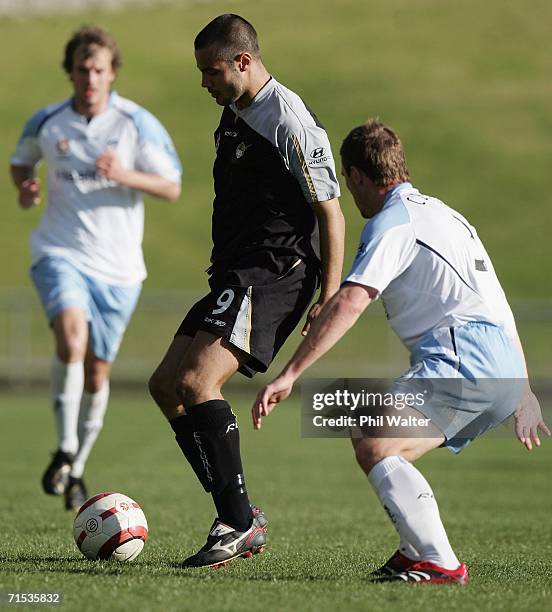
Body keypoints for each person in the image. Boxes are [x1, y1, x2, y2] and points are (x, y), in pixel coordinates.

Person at [253, 119, 550, 584]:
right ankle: (415, 553)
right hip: (499, 367)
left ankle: (438, 561)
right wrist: (524, 389)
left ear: (355, 177)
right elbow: (499, 304)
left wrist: (289, 373)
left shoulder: (393, 221)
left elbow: (352, 300)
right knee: (354, 414)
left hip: (463, 357)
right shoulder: (451, 217)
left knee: (370, 434)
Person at [148, 14, 344, 568]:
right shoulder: (236, 112)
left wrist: (328, 297)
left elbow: (330, 212)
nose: (205, 83)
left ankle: (235, 523)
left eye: (211, 71)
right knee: (166, 385)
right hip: (236, 274)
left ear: (243, 61)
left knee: (197, 379)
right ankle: (238, 513)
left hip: (276, 272)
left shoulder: (288, 118)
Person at [10, 25, 182, 511]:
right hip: (59, 252)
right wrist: (25, 187)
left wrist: (123, 174)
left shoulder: (136, 124)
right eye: (83, 69)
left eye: (99, 69)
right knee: (71, 338)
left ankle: (76, 467)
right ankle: (64, 447)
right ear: (70, 72)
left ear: (112, 74)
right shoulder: (47, 122)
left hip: (120, 270)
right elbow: (21, 163)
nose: (90, 77)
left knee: (96, 373)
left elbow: (171, 186)